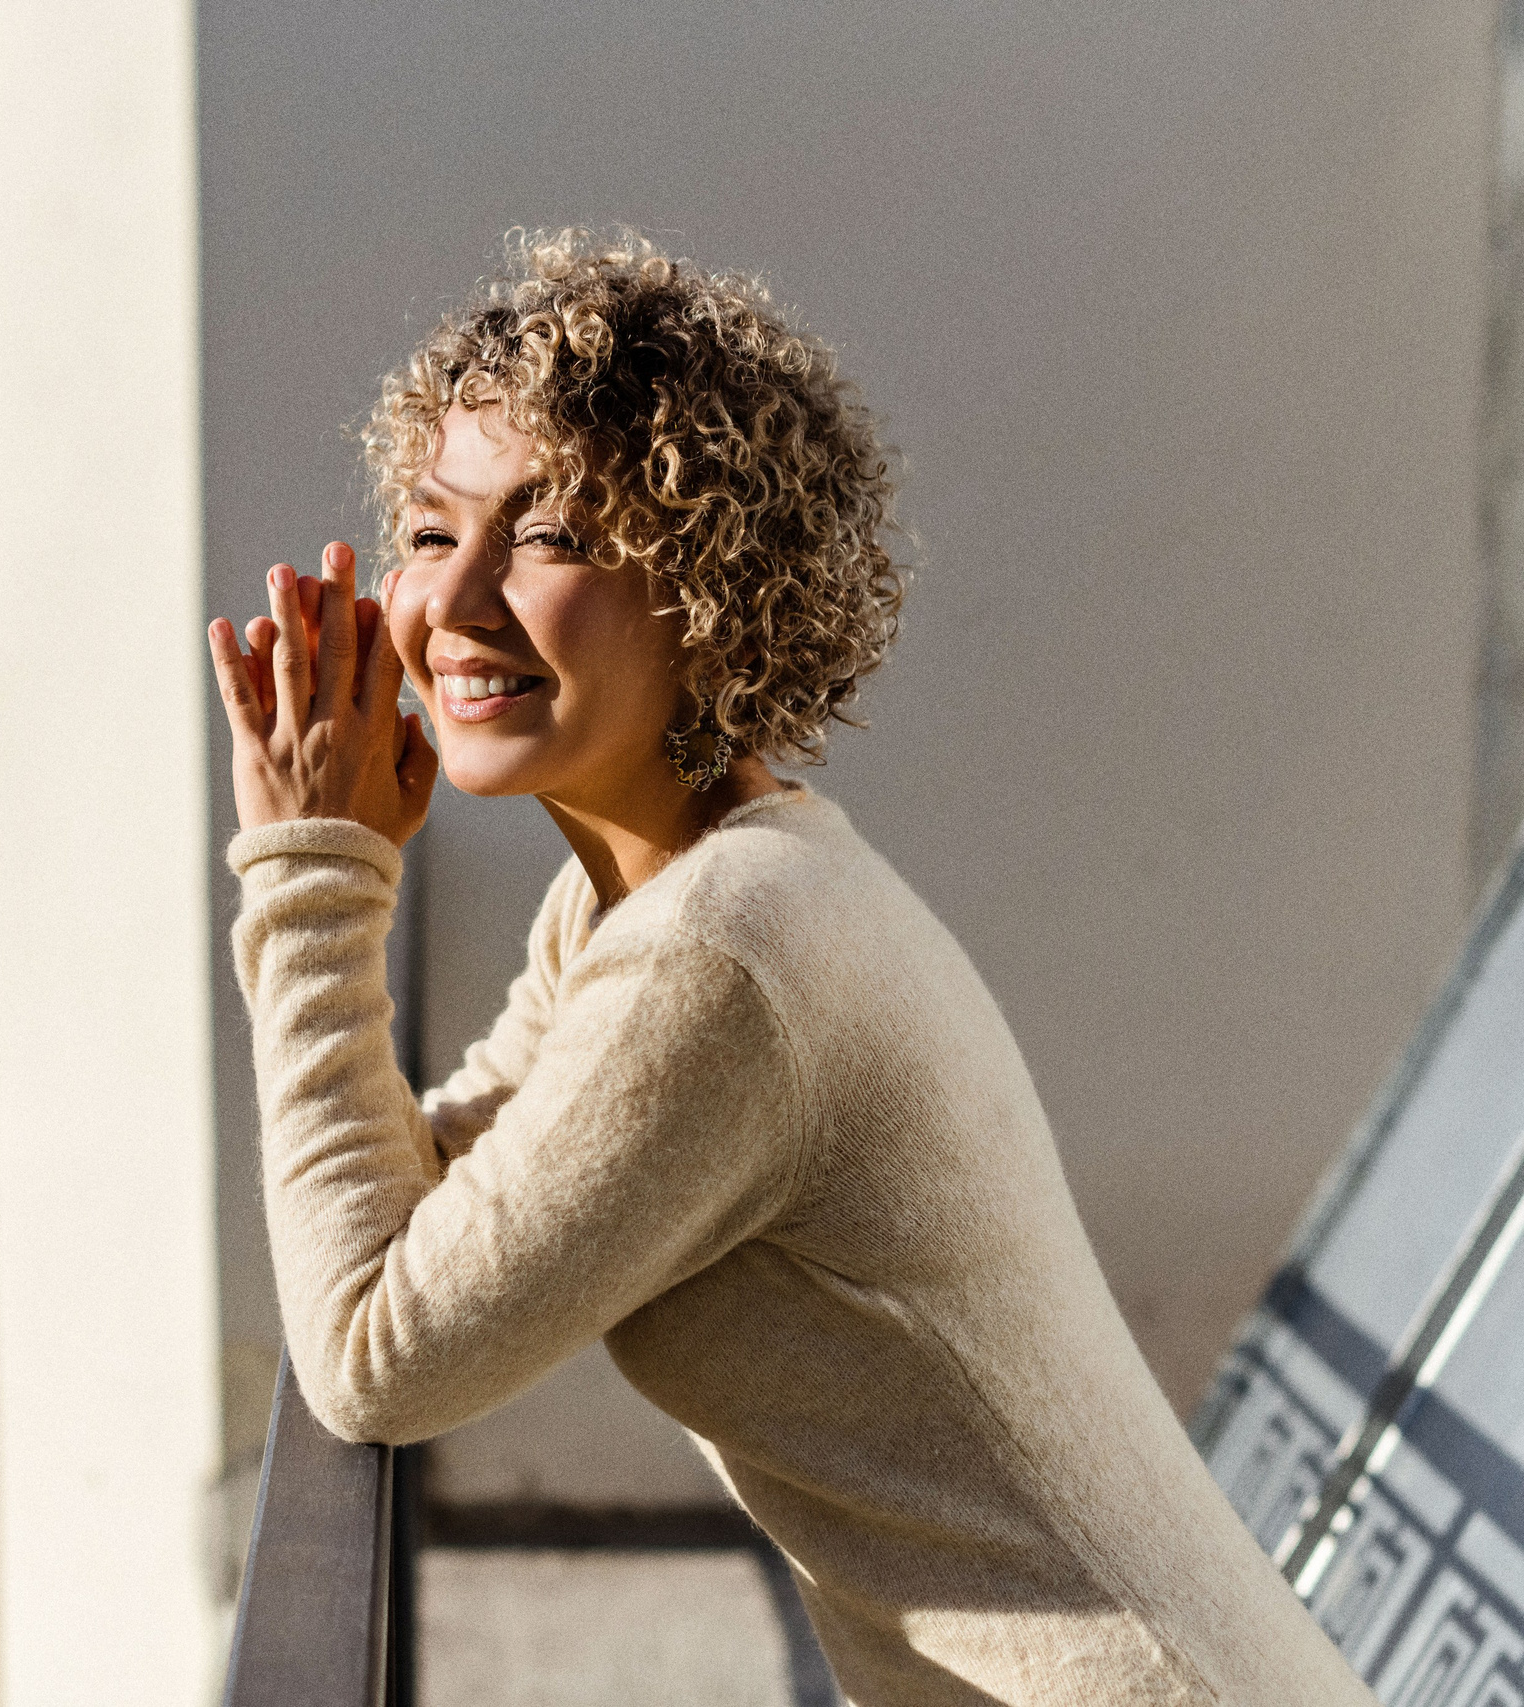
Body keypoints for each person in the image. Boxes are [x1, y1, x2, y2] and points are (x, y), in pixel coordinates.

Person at [204, 230, 1370, 1705]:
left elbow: (377, 1351)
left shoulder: (726, 960)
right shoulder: (673, 896)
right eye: (434, 533)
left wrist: (315, 878)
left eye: (553, 534)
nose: (462, 599)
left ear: (716, 589)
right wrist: (331, 858)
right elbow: (435, 1193)